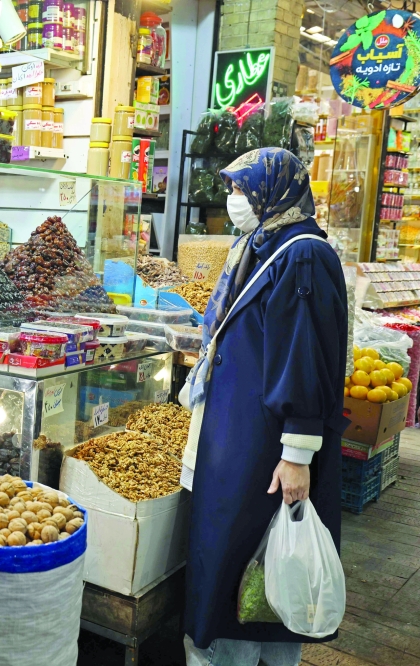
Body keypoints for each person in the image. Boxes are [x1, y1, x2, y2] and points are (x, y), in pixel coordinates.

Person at [180, 148, 348, 666]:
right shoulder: (259, 245)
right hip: (238, 438)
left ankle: (248, 656)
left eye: (240, 189)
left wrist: (297, 454)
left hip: (265, 445)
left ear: (272, 193)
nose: (233, 200)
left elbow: (306, 355)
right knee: (228, 553)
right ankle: (222, 649)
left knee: (252, 558)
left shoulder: (303, 254)